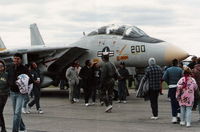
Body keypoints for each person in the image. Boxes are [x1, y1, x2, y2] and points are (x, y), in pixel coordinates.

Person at [7, 53, 33, 132]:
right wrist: (10, 83)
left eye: (17, 59)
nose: (15, 60)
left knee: (17, 113)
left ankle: (15, 130)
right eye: (14, 58)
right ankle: (22, 127)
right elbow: (8, 78)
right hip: (12, 93)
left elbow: (30, 80)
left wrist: (22, 82)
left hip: (20, 93)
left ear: (21, 60)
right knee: (16, 113)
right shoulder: (10, 67)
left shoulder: (24, 69)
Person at [162, 59, 183, 123]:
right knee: (179, 101)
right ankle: (179, 114)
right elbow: (182, 78)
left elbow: (164, 78)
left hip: (171, 87)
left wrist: (169, 83)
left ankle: (174, 118)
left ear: (172, 63)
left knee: (173, 103)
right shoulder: (180, 70)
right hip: (179, 87)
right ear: (177, 63)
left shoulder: (168, 70)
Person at [0, 60, 9, 132]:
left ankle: (3, 128)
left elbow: (9, 85)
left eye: (1, 66)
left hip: (3, 95)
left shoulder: (6, 75)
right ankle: (3, 128)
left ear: (3, 67)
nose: (0, 67)